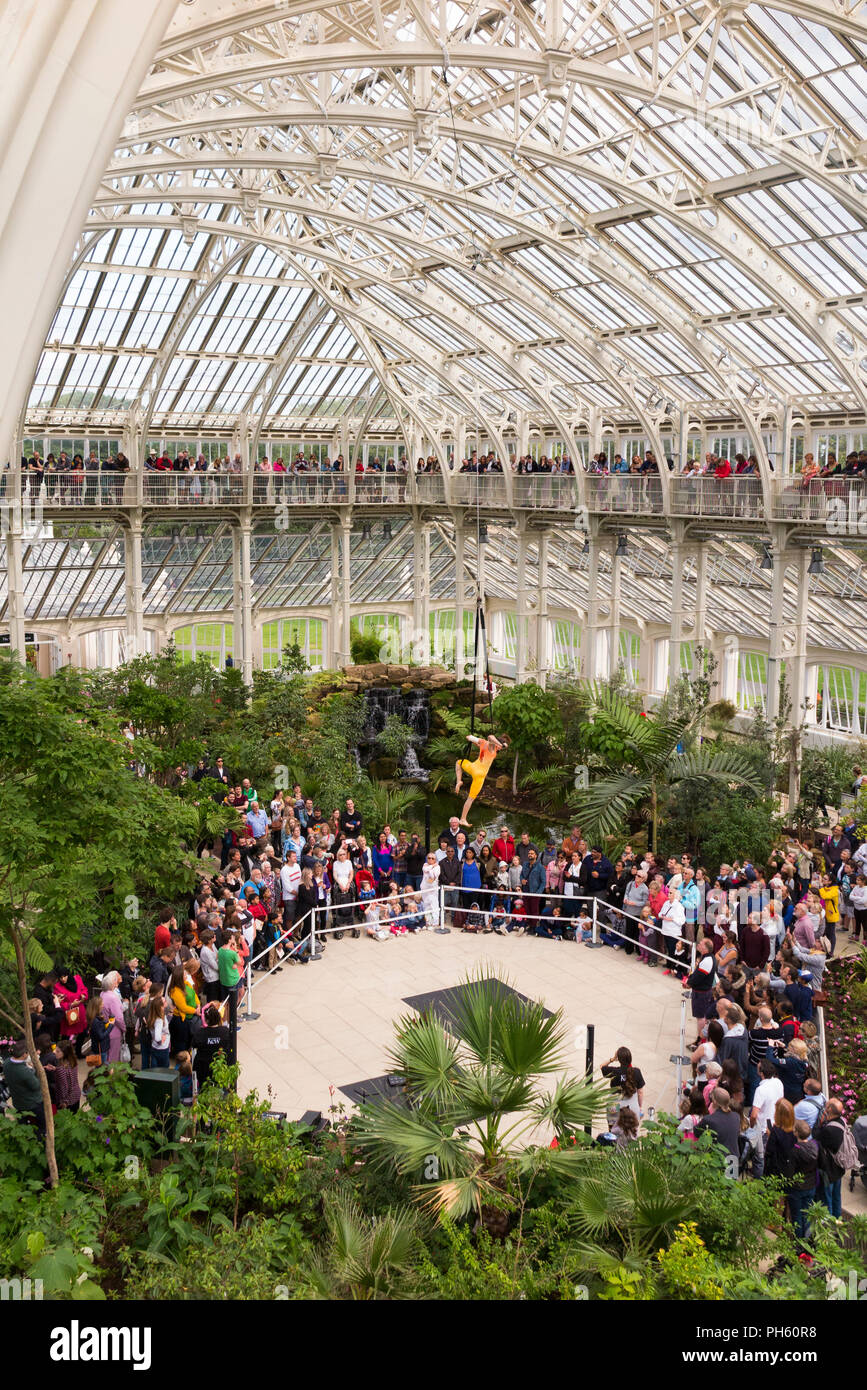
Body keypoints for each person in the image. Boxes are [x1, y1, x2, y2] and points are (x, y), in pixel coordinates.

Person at [454, 733, 508, 826]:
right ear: (497, 743)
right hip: (479, 776)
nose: (500, 749)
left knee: (459, 763)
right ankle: (463, 818)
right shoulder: (492, 748)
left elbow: (468, 737)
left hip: (472, 768)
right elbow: (490, 737)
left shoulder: (483, 742)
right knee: (470, 799)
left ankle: (459, 781)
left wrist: (472, 738)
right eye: (500, 747)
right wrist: (500, 744)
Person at [2, 1041, 46, 1133]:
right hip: (32, 1103)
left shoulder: (6, 1063)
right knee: (41, 1124)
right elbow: (36, 1086)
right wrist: (34, 1069)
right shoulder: (24, 1071)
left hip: (17, 1101)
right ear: (24, 1054)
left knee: (22, 1124)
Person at [190, 1004, 231, 1089]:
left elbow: (194, 1045)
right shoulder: (225, 1032)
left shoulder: (200, 1033)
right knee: (220, 1087)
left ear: (206, 1020)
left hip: (203, 1067)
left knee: (204, 1088)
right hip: (220, 1066)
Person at [697, 1086, 739, 1157]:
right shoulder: (736, 1116)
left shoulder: (709, 1119)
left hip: (718, 1158)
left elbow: (697, 1132)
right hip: (733, 1157)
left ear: (714, 1102)